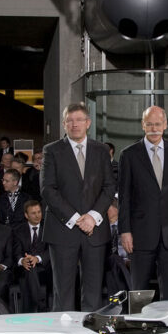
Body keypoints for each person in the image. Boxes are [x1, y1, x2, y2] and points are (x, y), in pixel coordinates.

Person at [40, 103, 116, 311]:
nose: (75, 125)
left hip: (95, 230)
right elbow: (48, 190)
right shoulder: (52, 151)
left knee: (93, 292)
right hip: (63, 230)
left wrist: (92, 217)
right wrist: (76, 219)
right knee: (63, 292)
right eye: (70, 121)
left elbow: (109, 187)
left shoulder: (101, 150)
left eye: (79, 120)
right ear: (64, 124)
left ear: (88, 123)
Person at [118, 106, 168, 300]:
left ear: (165, 125)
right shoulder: (129, 154)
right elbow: (124, 196)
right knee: (139, 288)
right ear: (143, 125)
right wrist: (124, 231)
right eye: (149, 124)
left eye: (157, 124)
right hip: (140, 232)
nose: (154, 128)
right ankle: (137, 324)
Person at [13, 200, 50, 313]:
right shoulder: (18, 230)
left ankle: (30, 310)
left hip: (45, 268)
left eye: (39, 212)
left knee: (30, 273)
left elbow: (51, 250)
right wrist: (22, 260)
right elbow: (16, 251)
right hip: (25, 268)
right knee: (30, 268)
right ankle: (41, 306)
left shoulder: (48, 227)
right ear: (26, 215)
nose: (37, 215)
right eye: (33, 213)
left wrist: (37, 258)